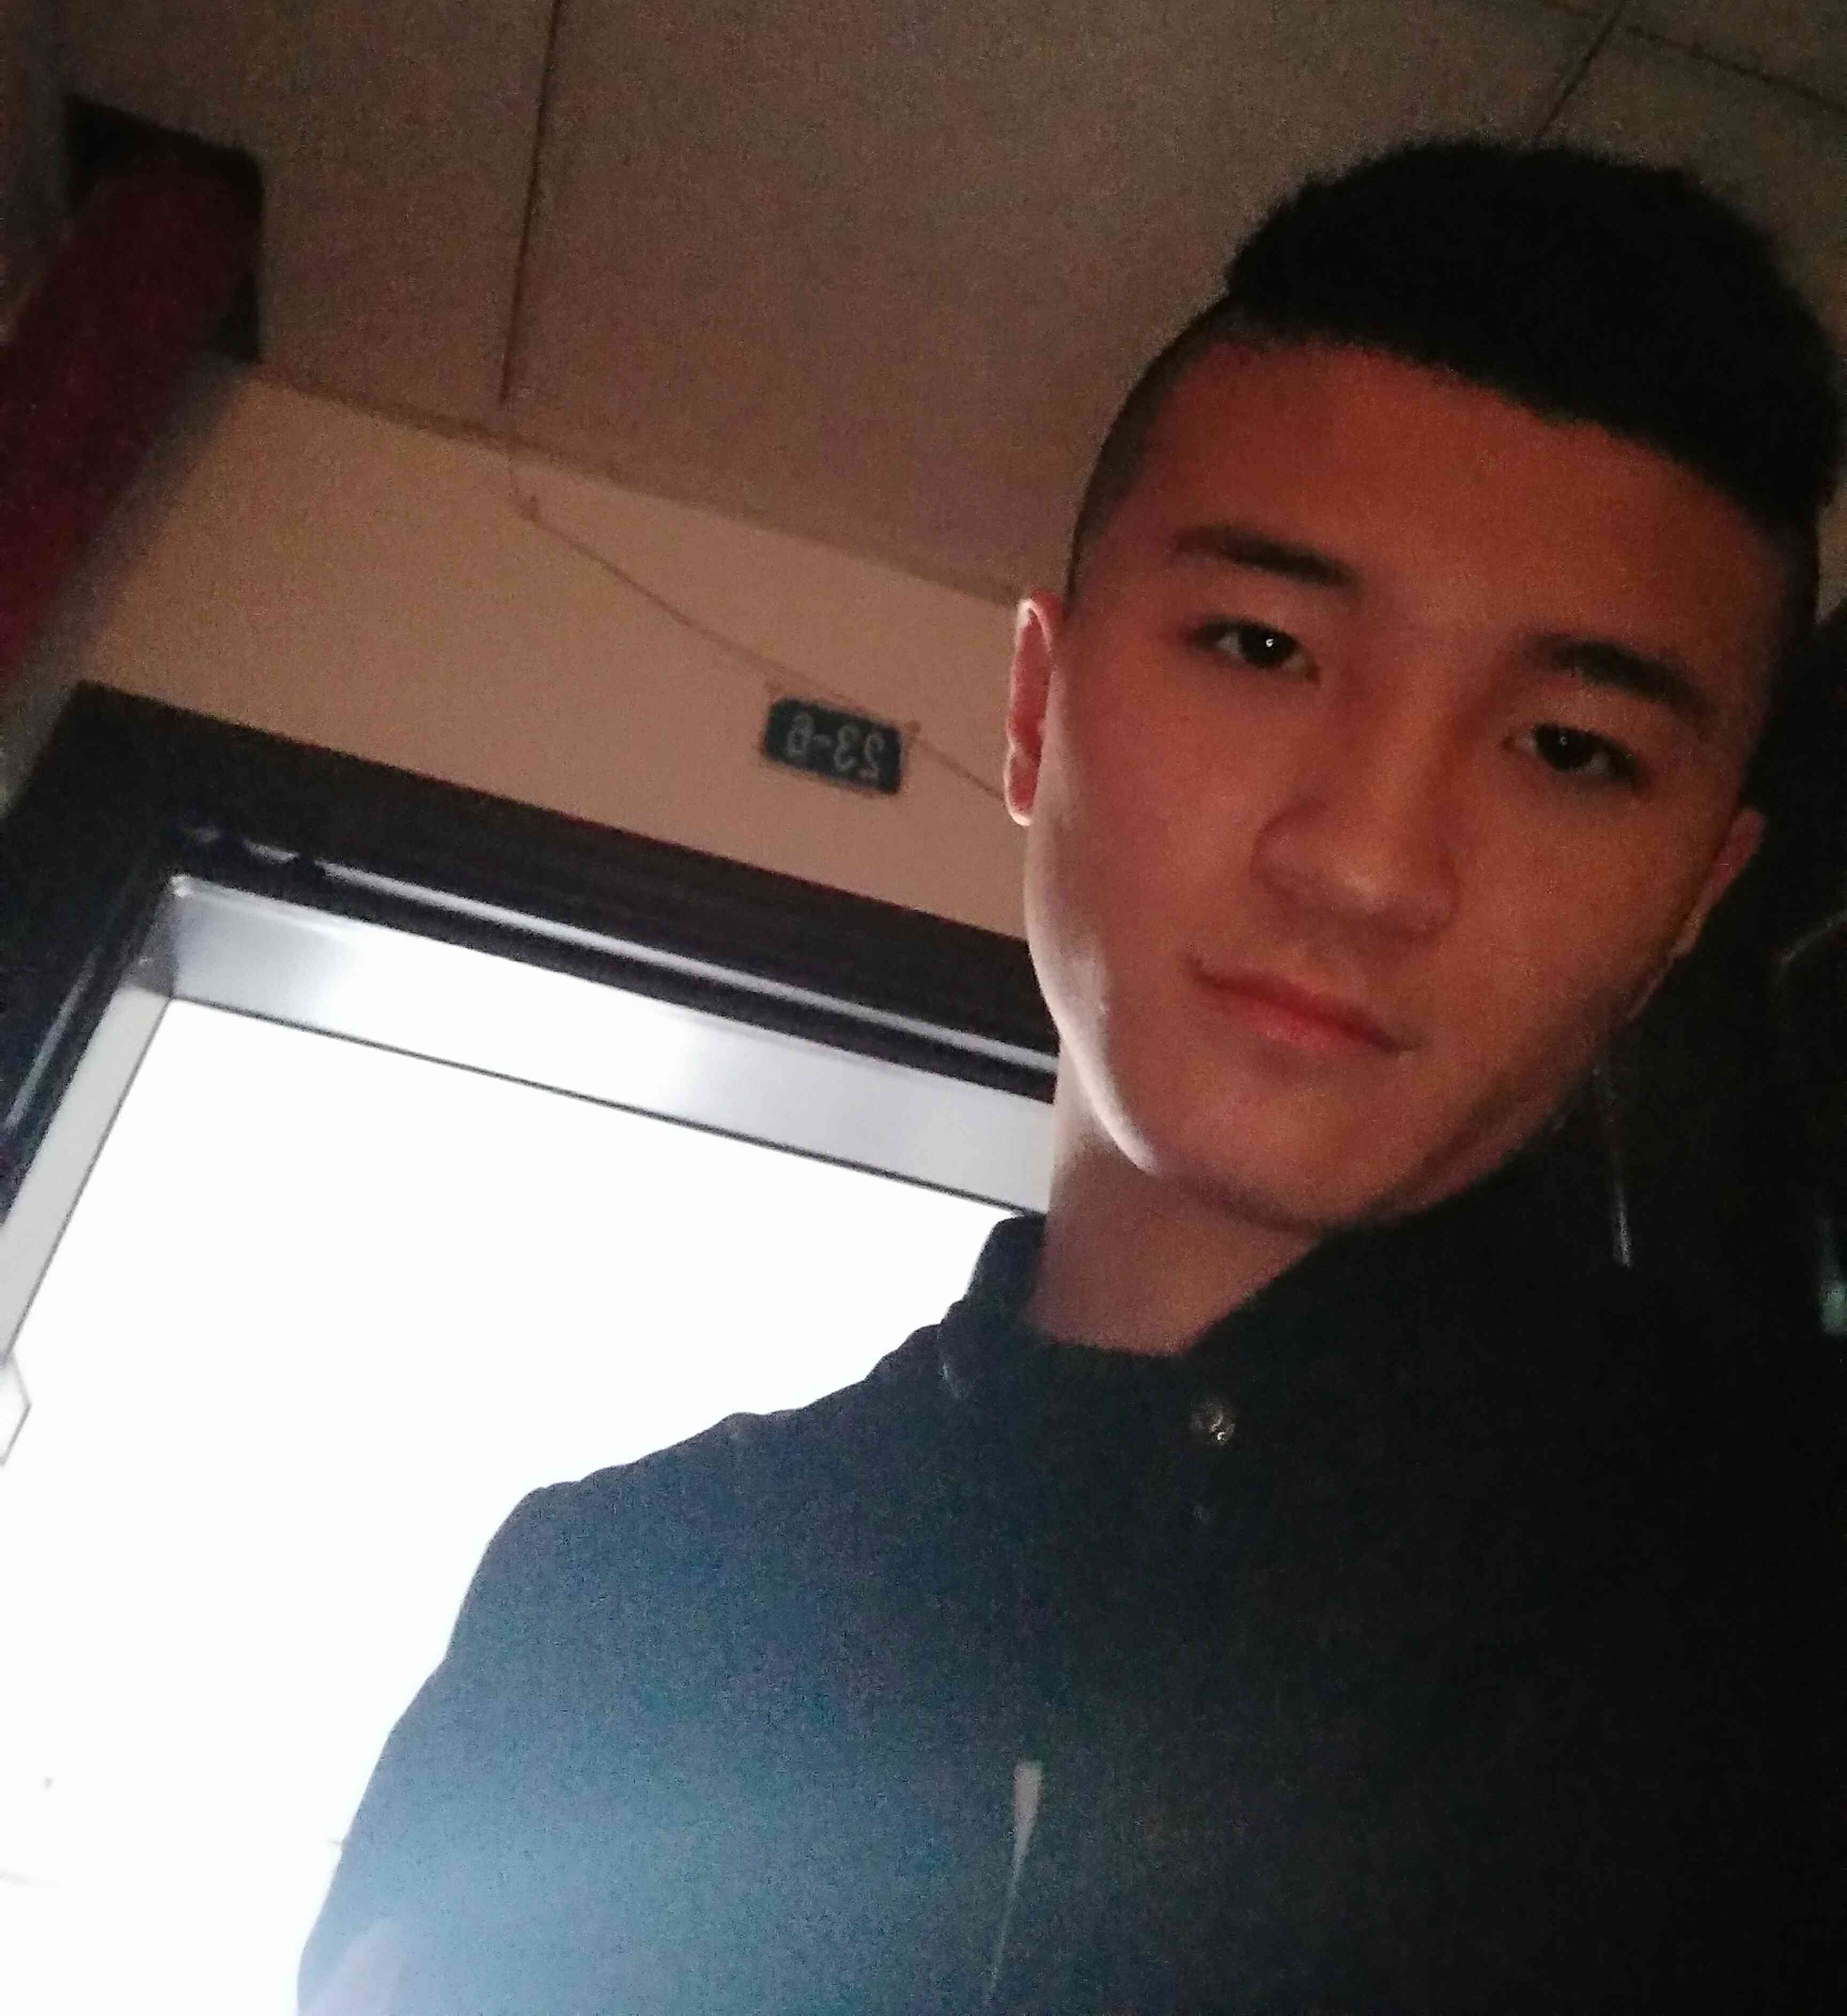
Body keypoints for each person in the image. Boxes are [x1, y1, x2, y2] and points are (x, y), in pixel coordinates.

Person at [299, 141, 1843, 2016]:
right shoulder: (623, 1606)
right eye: (1263, 646)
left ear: (1696, 899)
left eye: (1574, 750)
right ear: (1035, 712)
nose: (1368, 862)